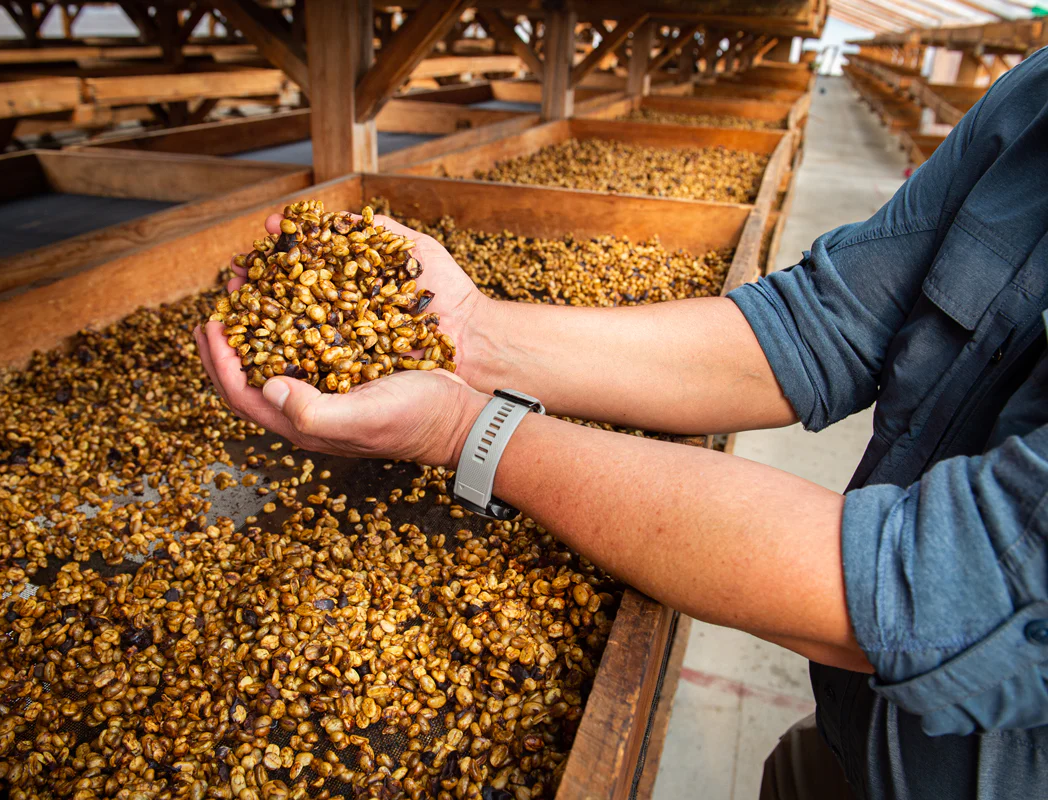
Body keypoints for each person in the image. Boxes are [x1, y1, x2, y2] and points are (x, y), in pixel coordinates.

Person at [196, 48, 1048, 800]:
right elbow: (823, 326)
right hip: (852, 744)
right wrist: (473, 334)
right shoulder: (1035, 100)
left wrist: (463, 432)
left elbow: (929, 588)